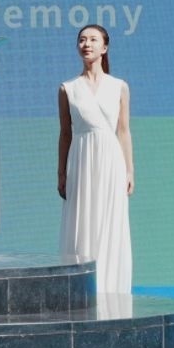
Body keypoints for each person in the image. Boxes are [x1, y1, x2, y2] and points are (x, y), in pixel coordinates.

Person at [57, 24, 134, 294]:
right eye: (82, 40)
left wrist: (130, 170)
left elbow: (123, 131)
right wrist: (61, 173)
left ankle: (110, 287)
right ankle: (82, 288)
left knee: (109, 221)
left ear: (105, 47)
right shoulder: (68, 88)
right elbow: (65, 133)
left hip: (111, 160)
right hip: (81, 159)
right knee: (83, 220)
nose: (86, 44)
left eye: (92, 40)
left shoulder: (119, 86)